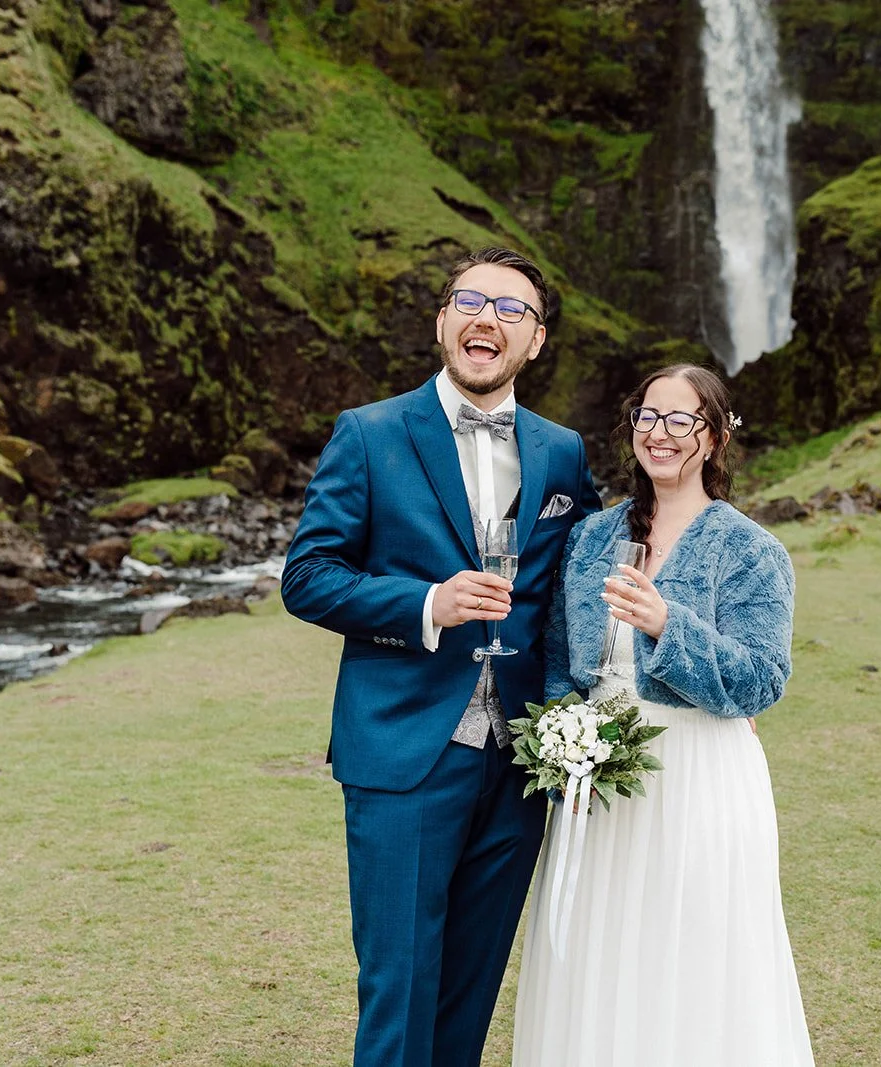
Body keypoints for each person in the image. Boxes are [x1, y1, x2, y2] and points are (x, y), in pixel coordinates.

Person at [281, 247, 600, 1067]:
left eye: (511, 308)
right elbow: (308, 577)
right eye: (470, 299)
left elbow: (586, 576)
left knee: (470, 991)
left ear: (535, 342)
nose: (486, 316)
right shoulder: (369, 433)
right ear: (442, 321)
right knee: (400, 988)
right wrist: (425, 603)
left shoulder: (562, 452)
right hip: (403, 753)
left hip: (519, 758)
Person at [511, 362, 815, 1066]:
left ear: (713, 436)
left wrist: (667, 623)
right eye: (649, 416)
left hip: (700, 777)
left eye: (683, 420)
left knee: (694, 948)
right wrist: (564, 751)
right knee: (598, 944)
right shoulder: (589, 539)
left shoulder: (752, 551)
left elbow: (763, 679)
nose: (663, 433)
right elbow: (560, 662)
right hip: (601, 782)